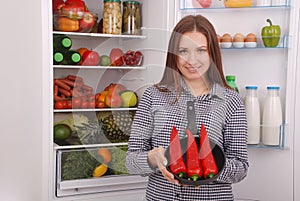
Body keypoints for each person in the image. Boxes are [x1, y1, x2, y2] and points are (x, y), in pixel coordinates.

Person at [125, 15, 249, 201]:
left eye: (201, 50)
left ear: (212, 54)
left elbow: (241, 168)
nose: (192, 60)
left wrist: (211, 166)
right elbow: (131, 161)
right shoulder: (152, 96)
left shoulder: (231, 101)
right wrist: (152, 159)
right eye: (183, 51)